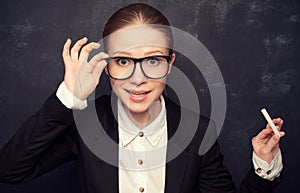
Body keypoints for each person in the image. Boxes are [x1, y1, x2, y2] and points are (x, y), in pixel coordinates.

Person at [0, 3, 285, 193]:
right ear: (106, 66)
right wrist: (68, 98)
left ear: (170, 63)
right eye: (123, 61)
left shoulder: (198, 131)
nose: (137, 79)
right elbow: (10, 170)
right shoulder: (86, 123)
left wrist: (263, 166)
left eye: (152, 60)